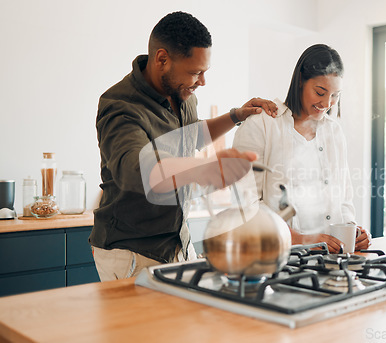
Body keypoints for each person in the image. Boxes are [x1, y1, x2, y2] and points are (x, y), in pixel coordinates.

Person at [90, 11, 277, 281]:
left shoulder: (182, 94)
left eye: (204, 72)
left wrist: (236, 115)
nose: (202, 82)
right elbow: (137, 170)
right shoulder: (120, 107)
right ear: (162, 59)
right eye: (195, 73)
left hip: (178, 243)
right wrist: (204, 168)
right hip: (132, 252)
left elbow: (191, 135)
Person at [233, 44, 371, 253]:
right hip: (276, 258)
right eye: (320, 92)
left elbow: (343, 198)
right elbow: (245, 204)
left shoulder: (334, 132)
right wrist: (297, 238)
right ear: (300, 81)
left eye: (335, 95)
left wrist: (352, 230)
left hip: (330, 261)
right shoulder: (261, 125)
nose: (327, 103)